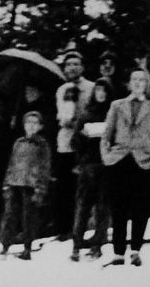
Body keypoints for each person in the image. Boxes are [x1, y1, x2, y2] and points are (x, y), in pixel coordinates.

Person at [101, 68, 150, 266]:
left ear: (147, 84)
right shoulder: (117, 105)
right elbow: (106, 135)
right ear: (129, 83)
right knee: (118, 207)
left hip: (145, 162)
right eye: (135, 79)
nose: (138, 83)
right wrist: (107, 157)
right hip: (119, 160)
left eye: (142, 80)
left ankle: (136, 249)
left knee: (141, 207)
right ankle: (118, 252)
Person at [70, 78, 113, 260]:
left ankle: (97, 244)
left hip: (107, 165)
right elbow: (74, 142)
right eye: (98, 91)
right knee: (83, 206)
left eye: (104, 91)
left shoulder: (114, 115)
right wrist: (83, 135)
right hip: (89, 166)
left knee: (103, 207)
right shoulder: (86, 115)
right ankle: (76, 245)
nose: (101, 94)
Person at [0, 111, 51, 260]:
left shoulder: (42, 144)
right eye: (28, 122)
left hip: (31, 185)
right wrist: (6, 183)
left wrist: (40, 189)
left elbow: (44, 167)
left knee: (29, 217)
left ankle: (27, 247)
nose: (31, 126)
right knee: (10, 215)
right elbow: (11, 164)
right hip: (15, 182)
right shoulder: (19, 142)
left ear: (40, 126)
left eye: (35, 123)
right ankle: (5, 245)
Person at [53, 50, 95, 239]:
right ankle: (64, 230)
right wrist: (63, 119)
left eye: (75, 64)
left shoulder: (91, 87)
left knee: (83, 187)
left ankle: (82, 228)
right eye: (68, 64)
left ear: (82, 67)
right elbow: (59, 113)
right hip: (65, 143)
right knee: (64, 186)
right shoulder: (61, 90)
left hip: (84, 142)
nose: (71, 67)